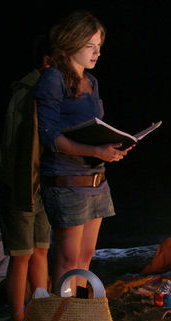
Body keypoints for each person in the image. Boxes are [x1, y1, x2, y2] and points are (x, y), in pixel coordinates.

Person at [35, 11, 131, 294]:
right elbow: (49, 136)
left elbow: (92, 127)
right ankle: (64, 313)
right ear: (71, 43)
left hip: (96, 178)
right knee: (68, 258)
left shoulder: (92, 81)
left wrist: (112, 148)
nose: (97, 53)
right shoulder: (53, 78)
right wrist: (95, 150)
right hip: (67, 181)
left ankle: (78, 310)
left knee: (86, 255)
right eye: (90, 46)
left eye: (99, 46)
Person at [0, 34, 52, 321]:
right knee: (21, 254)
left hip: (40, 183)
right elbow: (18, 152)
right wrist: (23, 193)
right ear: (47, 61)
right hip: (18, 185)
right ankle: (17, 318)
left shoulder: (48, 91)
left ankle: (39, 312)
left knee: (41, 249)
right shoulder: (28, 93)